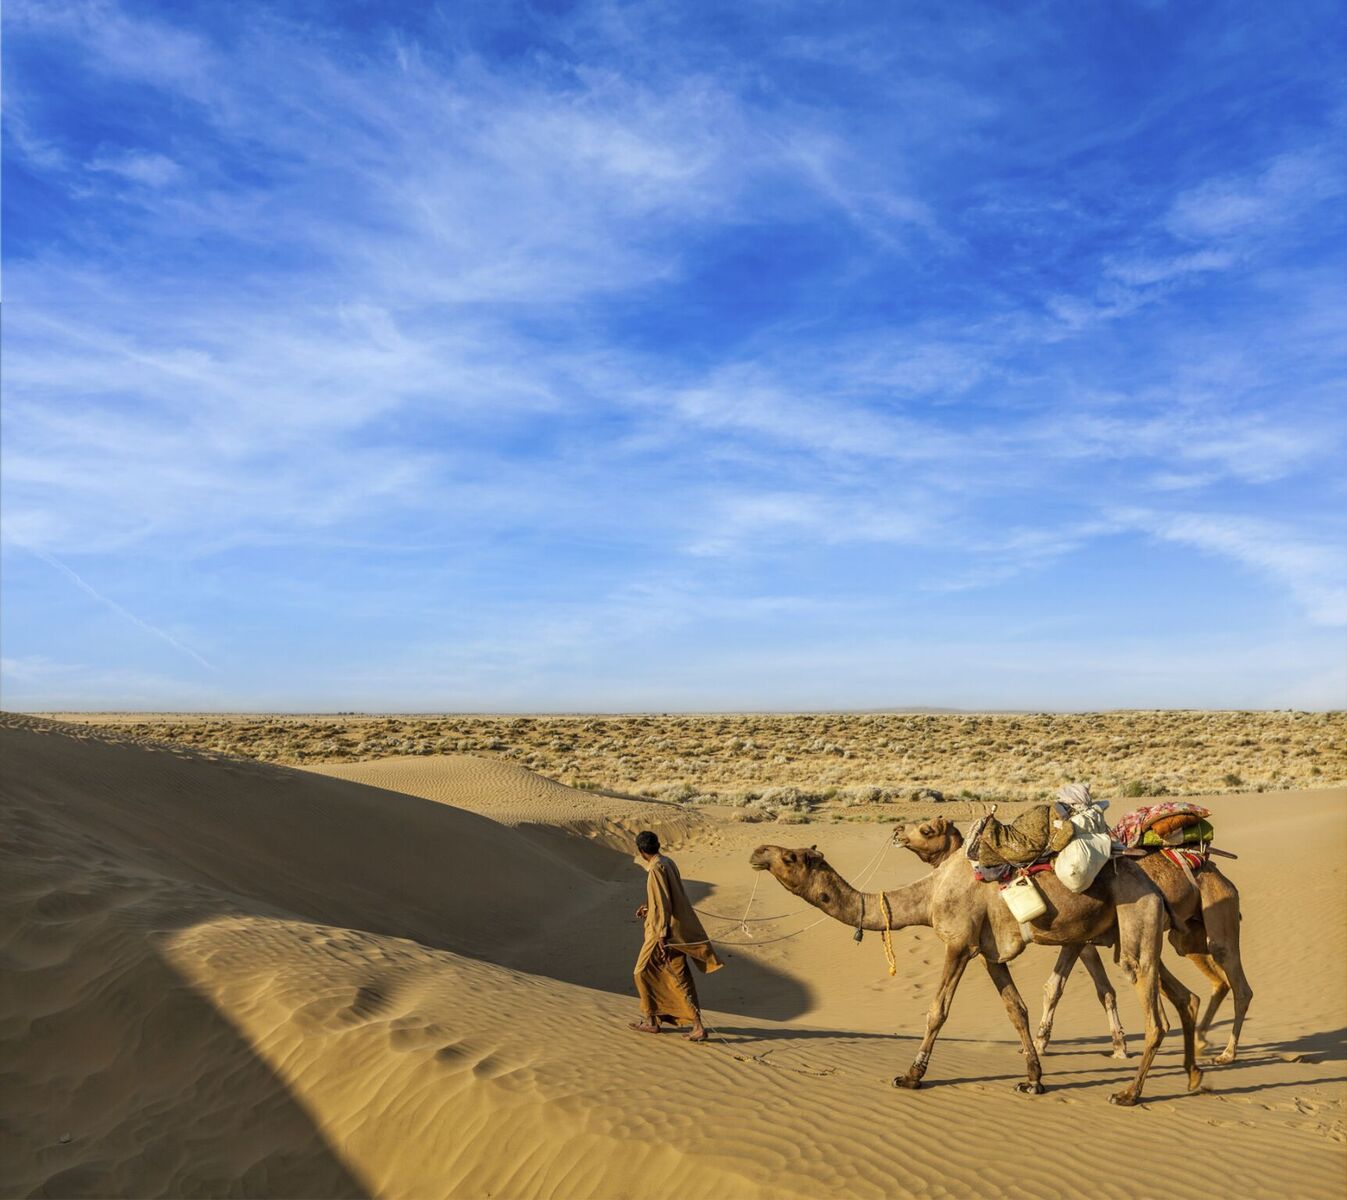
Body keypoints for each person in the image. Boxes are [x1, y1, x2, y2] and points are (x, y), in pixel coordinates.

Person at [629, 830, 722, 1041]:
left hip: (664, 933)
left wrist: (661, 934)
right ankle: (688, 1025)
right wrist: (648, 909)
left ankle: (654, 1021)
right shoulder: (667, 861)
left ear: (642, 851)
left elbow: (663, 901)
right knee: (679, 976)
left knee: (641, 972)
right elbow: (666, 899)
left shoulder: (655, 868)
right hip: (675, 929)